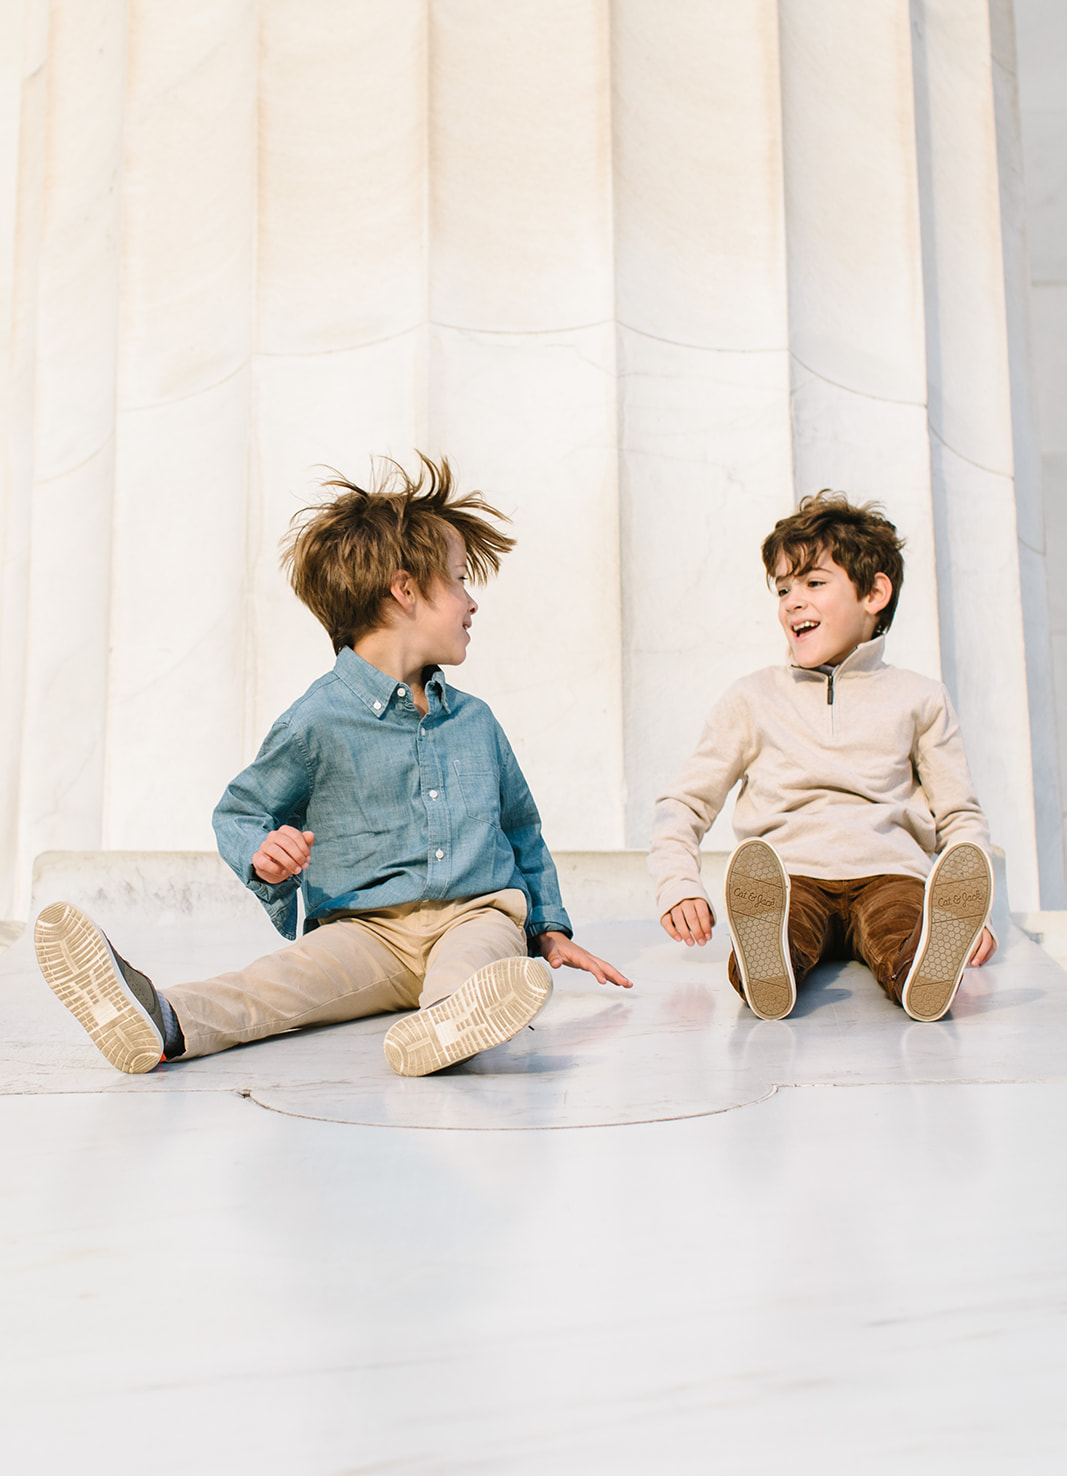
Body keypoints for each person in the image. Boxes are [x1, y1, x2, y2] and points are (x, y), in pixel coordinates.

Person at [36, 457, 631, 1078]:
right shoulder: (318, 719)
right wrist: (266, 852)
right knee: (275, 984)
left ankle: (451, 1021)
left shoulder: (475, 721)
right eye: (458, 580)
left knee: (477, 959)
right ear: (405, 590)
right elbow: (242, 810)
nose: (471, 601)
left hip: (475, 911)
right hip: (364, 930)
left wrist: (547, 928)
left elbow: (521, 830)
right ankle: (161, 1019)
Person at [649, 491, 995, 1023]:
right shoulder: (752, 697)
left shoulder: (920, 697)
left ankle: (924, 968)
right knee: (772, 932)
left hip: (890, 875)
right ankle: (768, 970)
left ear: (874, 593)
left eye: (813, 583)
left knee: (907, 929)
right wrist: (678, 882)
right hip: (790, 879)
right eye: (784, 588)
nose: (792, 601)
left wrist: (973, 913)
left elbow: (958, 815)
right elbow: (685, 804)